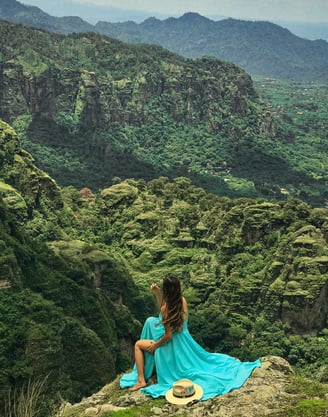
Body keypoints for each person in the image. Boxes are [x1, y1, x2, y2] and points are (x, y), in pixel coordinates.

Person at [120, 275, 261, 400]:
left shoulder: (165, 308)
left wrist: (155, 345)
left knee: (138, 344)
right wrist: (157, 293)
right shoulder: (182, 301)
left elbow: (168, 334)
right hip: (183, 340)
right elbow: (167, 312)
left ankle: (140, 380)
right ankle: (149, 366)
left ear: (167, 290)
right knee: (151, 321)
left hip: (169, 345)